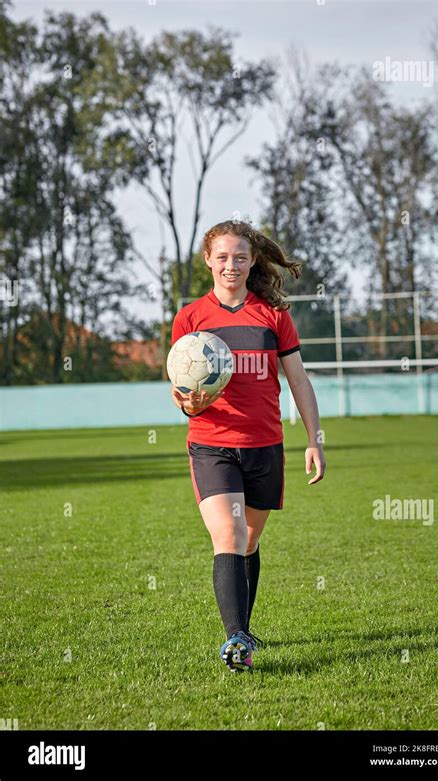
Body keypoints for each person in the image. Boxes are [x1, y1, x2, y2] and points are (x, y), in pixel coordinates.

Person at [170, 220, 326, 673]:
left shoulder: (273, 315)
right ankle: (235, 639)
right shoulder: (191, 319)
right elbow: (178, 389)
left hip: (265, 445)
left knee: (250, 539)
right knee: (230, 536)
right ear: (208, 261)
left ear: (253, 259)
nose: (231, 265)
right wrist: (187, 402)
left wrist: (313, 440)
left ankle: (245, 626)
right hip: (211, 443)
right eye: (222, 257)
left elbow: (298, 380)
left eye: (240, 257)